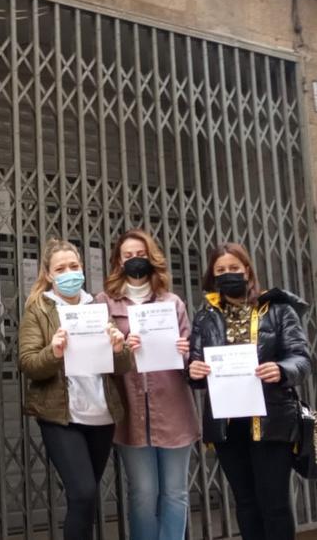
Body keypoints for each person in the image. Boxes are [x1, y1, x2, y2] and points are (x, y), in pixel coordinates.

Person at [188, 242, 311, 540]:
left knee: (274, 503)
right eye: (220, 270)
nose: (227, 274)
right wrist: (193, 371)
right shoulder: (205, 316)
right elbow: (194, 365)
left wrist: (281, 370)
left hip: (272, 420)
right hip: (228, 424)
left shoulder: (278, 310)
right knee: (245, 502)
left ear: (247, 270)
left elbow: (302, 357)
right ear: (211, 275)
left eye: (233, 268)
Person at [18, 238, 132, 540]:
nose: (69, 272)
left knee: (87, 498)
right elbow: (28, 363)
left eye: (74, 266)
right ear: (49, 275)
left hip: (101, 415)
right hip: (61, 417)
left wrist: (119, 348)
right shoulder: (39, 311)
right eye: (61, 268)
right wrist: (53, 353)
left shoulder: (96, 306)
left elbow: (122, 366)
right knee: (82, 493)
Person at [94, 229, 197, 540]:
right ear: (118, 261)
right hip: (130, 411)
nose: (134, 260)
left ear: (151, 258)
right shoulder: (104, 302)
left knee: (176, 492)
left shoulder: (172, 302)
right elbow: (94, 359)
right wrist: (119, 346)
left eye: (140, 254)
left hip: (174, 409)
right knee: (143, 492)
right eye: (128, 255)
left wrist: (186, 353)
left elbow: (192, 358)